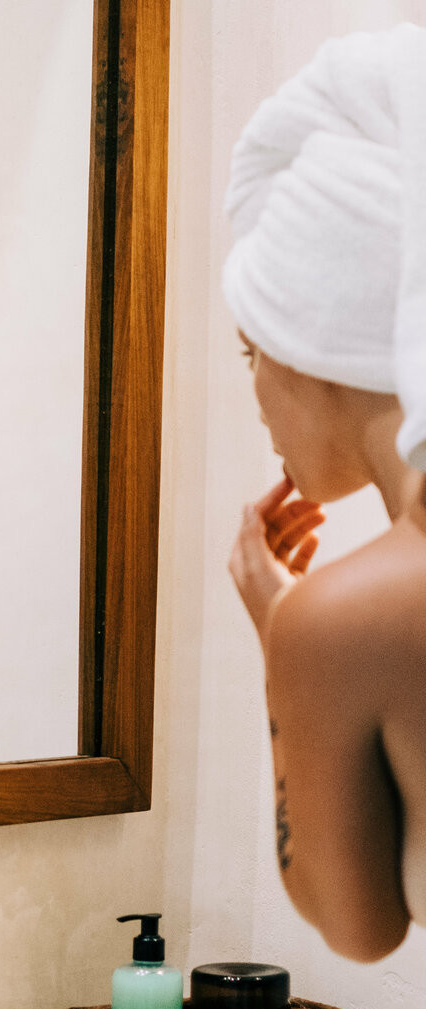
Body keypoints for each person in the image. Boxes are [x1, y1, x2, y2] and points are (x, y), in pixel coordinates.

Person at [224, 24, 426, 961]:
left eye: (251, 353)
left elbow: (357, 924)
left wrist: (285, 635)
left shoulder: (348, 618)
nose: (257, 395)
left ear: (312, 347)